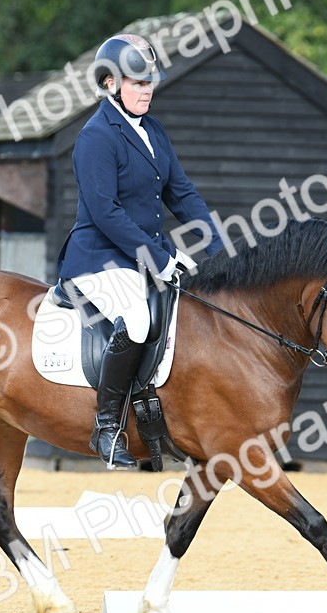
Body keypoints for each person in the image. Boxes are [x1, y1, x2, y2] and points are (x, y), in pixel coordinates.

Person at [55, 33, 225, 469]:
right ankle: (107, 427)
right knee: (136, 318)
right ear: (110, 83)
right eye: (137, 82)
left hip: (143, 254)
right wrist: (160, 259)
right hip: (99, 257)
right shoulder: (95, 137)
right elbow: (106, 213)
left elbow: (182, 194)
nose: (147, 90)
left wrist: (221, 250)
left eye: (150, 82)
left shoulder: (153, 131)